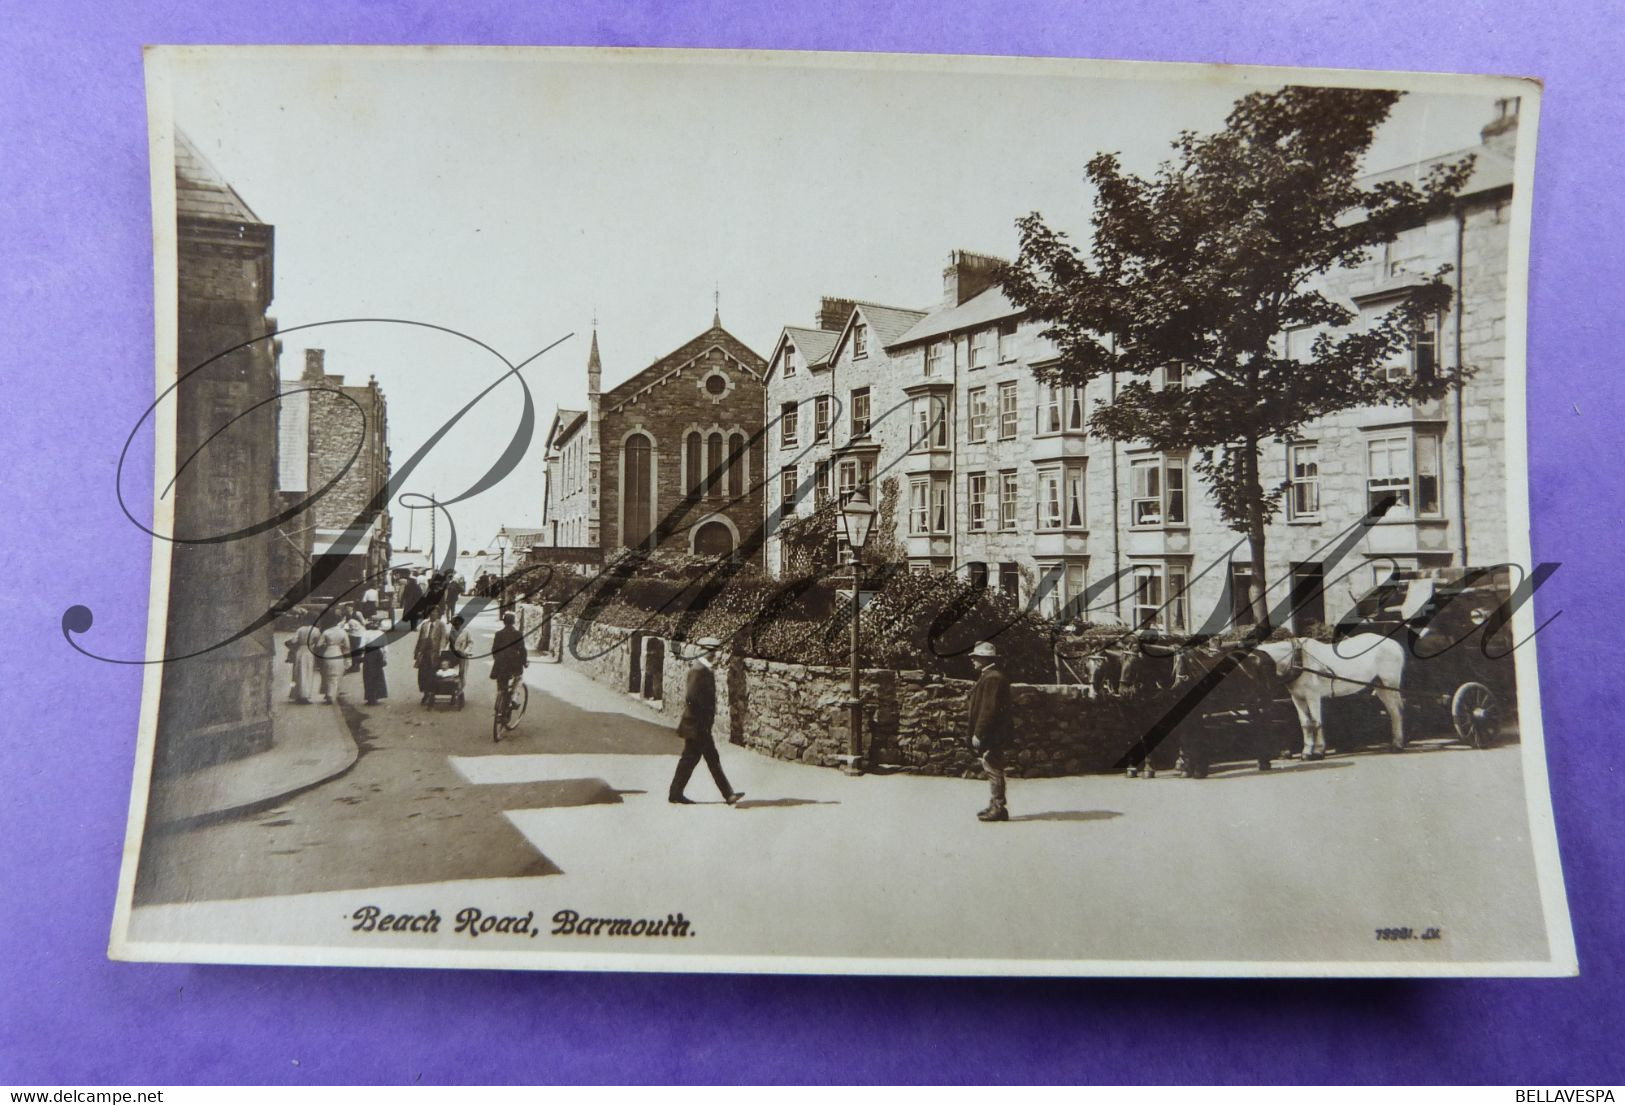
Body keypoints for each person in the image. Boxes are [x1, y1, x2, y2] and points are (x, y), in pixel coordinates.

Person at [668, 637, 743, 807]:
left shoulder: (703, 668)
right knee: (699, 759)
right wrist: (703, 720)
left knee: (701, 758)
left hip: (698, 725)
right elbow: (691, 697)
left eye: (715, 652)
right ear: (705, 651)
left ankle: (727, 794)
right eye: (712, 652)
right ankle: (727, 795)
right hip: (697, 724)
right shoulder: (699, 670)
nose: (715, 655)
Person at [967, 641, 1013, 822]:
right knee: (991, 765)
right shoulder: (989, 675)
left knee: (992, 765)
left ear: (985, 659)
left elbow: (989, 708)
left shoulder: (992, 678)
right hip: (994, 731)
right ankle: (995, 804)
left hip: (994, 732)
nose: (973, 661)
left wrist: (979, 733)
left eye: (976, 657)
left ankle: (999, 807)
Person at [490, 611, 528, 714]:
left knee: (502, 684)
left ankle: (500, 700)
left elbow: (494, 649)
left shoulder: (498, 634)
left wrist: (498, 659)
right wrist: (524, 662)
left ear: (504, 622)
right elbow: (522, 650)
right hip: (514, 663)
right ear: (513, 622)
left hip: (500, 663)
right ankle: (514, 699)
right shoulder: (518, 634)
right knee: (519, 678)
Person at [414, 607, 449, 706]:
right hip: (424, 653)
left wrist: (441, 650)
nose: (433, 614)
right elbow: (420, 639)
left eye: (435, 612)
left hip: (434, 654)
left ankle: (431, 694)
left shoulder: (441, 625)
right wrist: (417, 651)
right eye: (431, 612)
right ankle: (425, 693)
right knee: (422, 674)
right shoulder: (425, 625)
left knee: (432, 674)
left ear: (438, 614)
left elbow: (443, 638)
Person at [315, 613, 351, 705]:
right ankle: (332, 695)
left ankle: (328, 694)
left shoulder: (326, 632)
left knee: (327, 674)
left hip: (328, 653)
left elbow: (318, 645)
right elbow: (347, 646)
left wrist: (327, 644)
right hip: (338, 653)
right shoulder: (343, 632)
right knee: (336, 675)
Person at [286, 617, 320, 705]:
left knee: (298, 673)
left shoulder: (300, 629)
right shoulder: (315, 630)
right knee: (308, 673)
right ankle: (305, 695)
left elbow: (294, 640)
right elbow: (319, 642)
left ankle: (297, 694)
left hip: (300, 651)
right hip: (309, 651)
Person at [361, 617, 389, 706]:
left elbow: (361, 646)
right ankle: (376, 696)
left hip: (369, 654)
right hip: (378, 654)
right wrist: (384, 658)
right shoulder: (381, 633)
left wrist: (362, 657)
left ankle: (370, 698)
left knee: (368, 675)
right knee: (378, 675)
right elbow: (385, 648)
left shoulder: (366, 633)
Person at [449, 615, 474, 688]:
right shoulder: (450, 632)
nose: (457, 623)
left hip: (462, 655)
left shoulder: (466, 631)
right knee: (451, 671)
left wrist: (466, 651)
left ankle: (460, 688)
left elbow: (470, 642)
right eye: (455, 621)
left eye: (458, 621)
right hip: (452, 654)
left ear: (461, 622)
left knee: (461, 671)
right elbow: (444, 642)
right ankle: (451, 686)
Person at [343, 605, 367, 673]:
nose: (348, 608)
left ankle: (357, 666)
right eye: (347, 607)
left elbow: (363, 622)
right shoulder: (346, 615)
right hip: (351, 634)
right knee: (353, 650)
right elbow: (344, 623)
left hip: (359, 633)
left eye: (349, 607)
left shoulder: (357, 613)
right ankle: (354, 665)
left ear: (352, 607)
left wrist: (357, 626)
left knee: (357, 650)